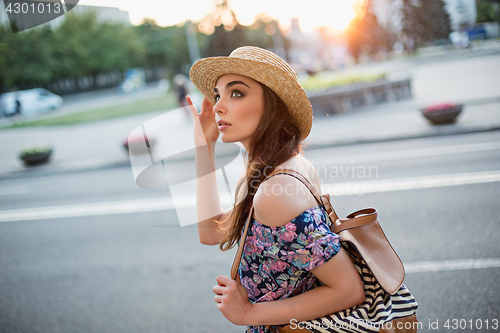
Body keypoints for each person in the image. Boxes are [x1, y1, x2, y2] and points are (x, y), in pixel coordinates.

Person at [187, 46, 365, 333]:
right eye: (218, 95)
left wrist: (249, 313)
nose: (218, 105)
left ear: (272, 105)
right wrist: (203, 147)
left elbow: (347, 290)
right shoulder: (281, 169)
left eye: (236, 93)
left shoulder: (275, 189)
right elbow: (210, 232)